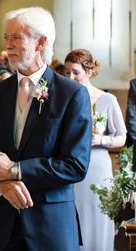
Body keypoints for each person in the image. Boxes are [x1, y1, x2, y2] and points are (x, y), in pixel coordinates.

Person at [0, 6, 92, 251]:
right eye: (7, 38)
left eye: (17, 37)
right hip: (2, 226)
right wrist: (0, 185)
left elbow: (75, 165)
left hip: (50, 224)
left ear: (41, 42)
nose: (8, 45)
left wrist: (14, 169)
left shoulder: (72, 94)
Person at [64, 49, 126, 251]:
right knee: (73, 216)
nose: (70, 77)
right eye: (67, 72)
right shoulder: (63, 99)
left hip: (97, 167)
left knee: (97, 216)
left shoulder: (107, 100)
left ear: (89, 71)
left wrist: (101, 139)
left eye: (75, 72)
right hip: (70, 167)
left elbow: (122, 137)